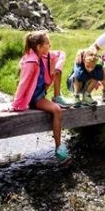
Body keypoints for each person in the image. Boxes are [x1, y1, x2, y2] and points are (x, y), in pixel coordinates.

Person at [10, 31, 70, 163]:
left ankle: (57, 97)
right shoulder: (31, 62)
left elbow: (61, 53)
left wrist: (58, 66)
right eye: (47, 43)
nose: (50, 45)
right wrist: (15, 105)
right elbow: (23, 84)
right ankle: (58, 148)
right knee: (57, 110)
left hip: (40, 94)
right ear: (38, 46)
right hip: (34, 98)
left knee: (57, 109)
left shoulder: (42, 56)